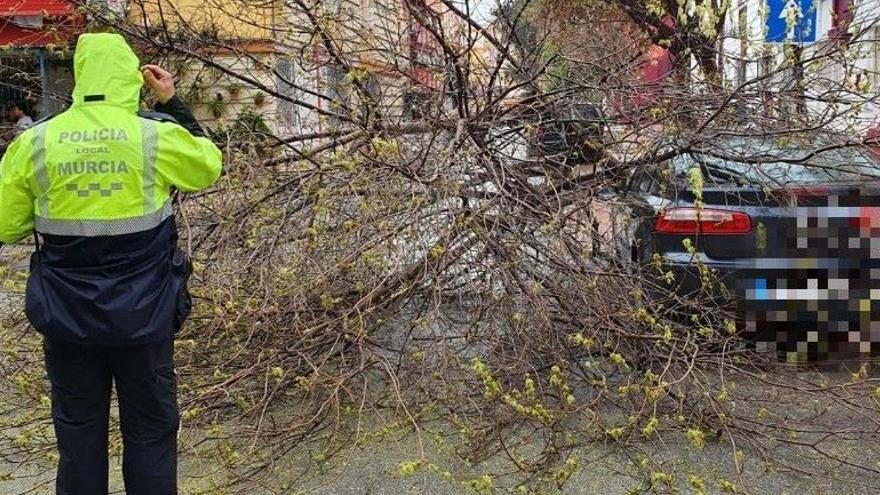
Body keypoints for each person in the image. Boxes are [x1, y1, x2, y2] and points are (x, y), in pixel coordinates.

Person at [0, 33, 222, 494]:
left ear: (82, 77)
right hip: (145, 320)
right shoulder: (154, 137)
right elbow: (208, 166)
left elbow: (6, 227)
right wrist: (174, 102)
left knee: (78, 434)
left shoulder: (36, 142)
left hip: (67, 319)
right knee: (151, 430)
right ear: (129, 76)